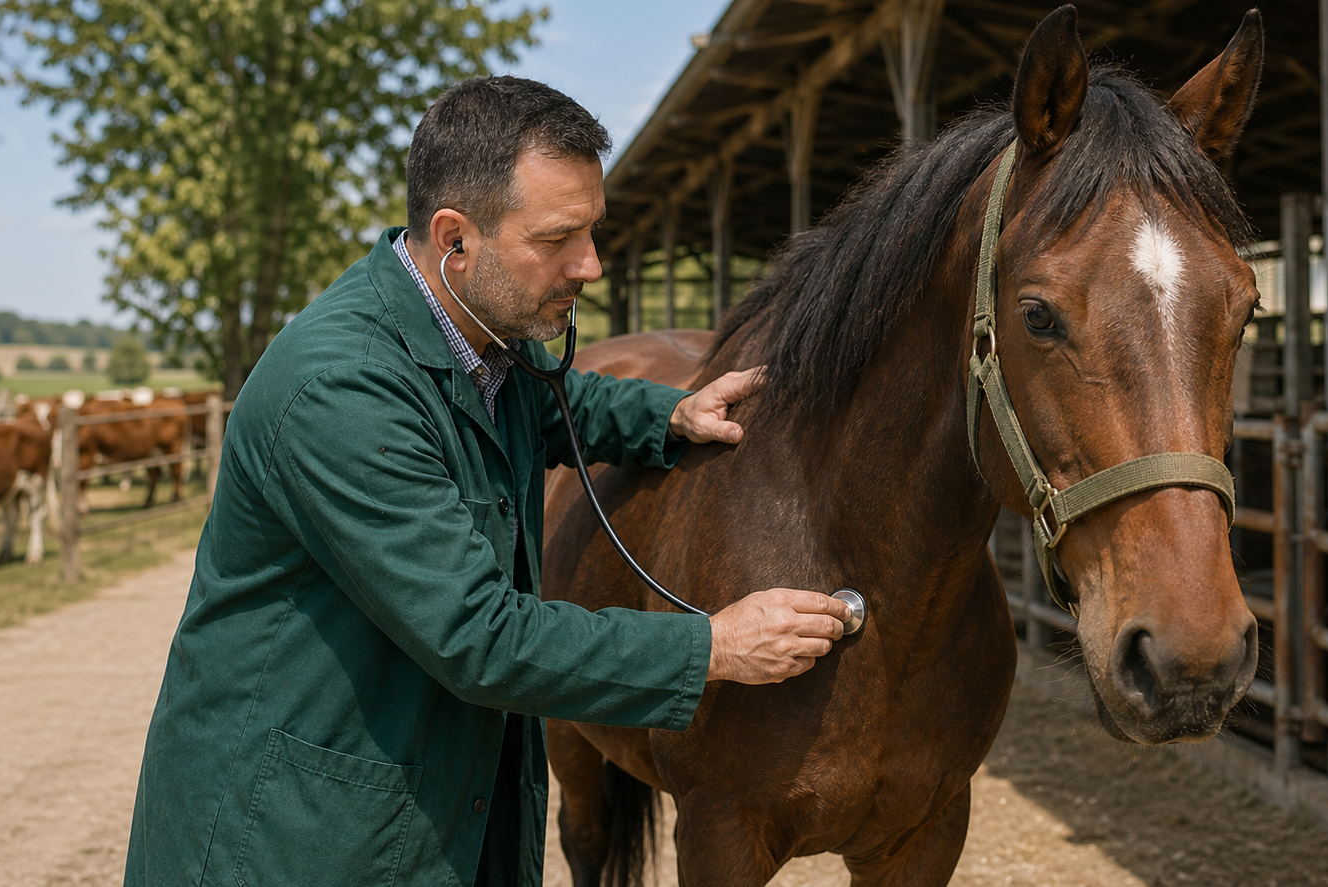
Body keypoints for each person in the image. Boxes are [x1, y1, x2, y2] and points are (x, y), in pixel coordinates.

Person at [124, 75, 849, 887]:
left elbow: (553, 403)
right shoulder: (343, 389)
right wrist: (713, 646)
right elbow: (480, 636)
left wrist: (669, 416)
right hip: (295, 838)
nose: (593, 265)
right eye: (557, 239)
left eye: (593, 232)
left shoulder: (481, 338)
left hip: (406, 806)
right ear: (454, 239)